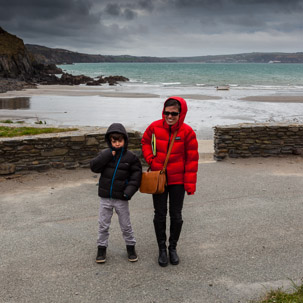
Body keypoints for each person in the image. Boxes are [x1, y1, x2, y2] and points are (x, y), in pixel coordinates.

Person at [141, 97, 199, 267]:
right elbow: (144, 142)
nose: (170, 116)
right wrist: (151, 160)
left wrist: (190, 184)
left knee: (176, 216)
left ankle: (172, 247)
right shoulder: (154, 127)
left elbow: (192, 161)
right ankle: (161, 249)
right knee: (159, 215)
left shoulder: (187, 132)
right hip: (159, 178)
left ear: (181, 114)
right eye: (167, 112)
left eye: (174, 113)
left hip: (178, 181)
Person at [90, 123, 142, 263]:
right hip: (105, 197)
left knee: (126, 225)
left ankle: (131, 247)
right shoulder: (105, 154)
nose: (117, 143)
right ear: (110, 141)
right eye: (114, 141)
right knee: (103, 225)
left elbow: (136, 177)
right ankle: (101, 249)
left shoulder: (131, 157)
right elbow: (94, 167)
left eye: (120, 140)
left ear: (125, 140)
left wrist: (128, 193)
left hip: (121, 198)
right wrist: (107, 154)